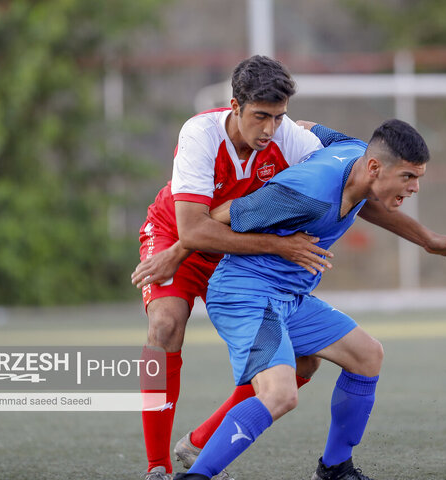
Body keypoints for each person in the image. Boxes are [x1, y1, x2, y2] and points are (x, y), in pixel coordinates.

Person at [172, 119, 446, 480]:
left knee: (367, 355)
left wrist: (428, 239)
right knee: (280, 395)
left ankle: (335, 469)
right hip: (245, 295)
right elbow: (220, 217)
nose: (414, 188)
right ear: (375, 168)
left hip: (289, 297)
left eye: (418, 178)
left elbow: (307, 127)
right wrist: (177, 251)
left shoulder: (354, 153)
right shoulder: (304, 192)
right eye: (409, 177)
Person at [133, 55, 335, 480]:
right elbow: (194, 228)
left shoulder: (291, 140)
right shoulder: (200, 133)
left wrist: (423, 237)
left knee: (304, 360)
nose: (269, 129)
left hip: (233, 250)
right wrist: (279, 247)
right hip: (176, 233)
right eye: (261, 116)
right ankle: (157, 467)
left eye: (279, 118)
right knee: (165, 325)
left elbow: (354, 182)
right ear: (234, 105)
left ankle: (202, 441)